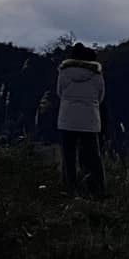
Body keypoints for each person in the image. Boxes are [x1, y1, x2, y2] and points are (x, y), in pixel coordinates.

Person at [55, 42, 107, 195]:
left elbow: (59, 92)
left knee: (68, 155)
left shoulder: (64, 72)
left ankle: (70, 187)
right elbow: (100, 96)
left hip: (67, 120)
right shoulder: (96, 75)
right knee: (92, 157)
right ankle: (96, 188)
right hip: (90, 120)